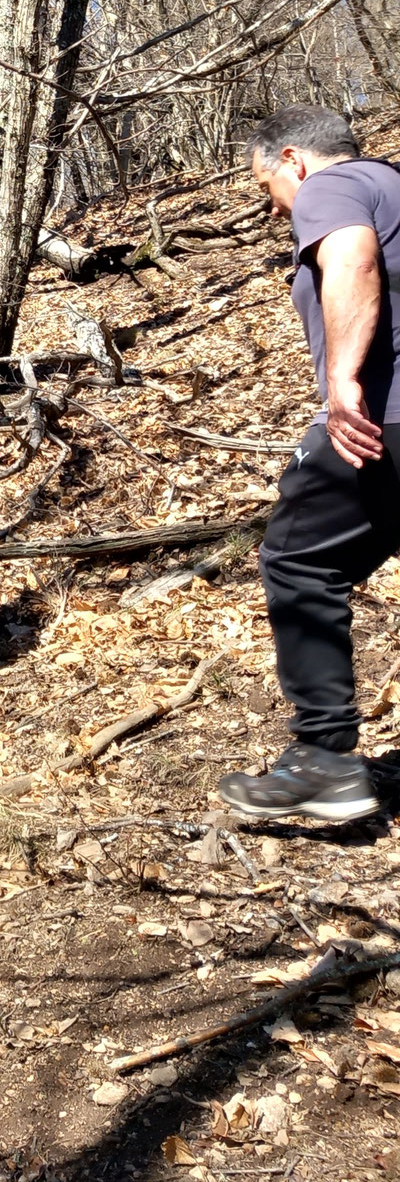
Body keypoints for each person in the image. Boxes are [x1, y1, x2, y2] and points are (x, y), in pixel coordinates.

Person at [217, 105, 395, 823]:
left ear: (291, 159)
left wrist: (344, 381)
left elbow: (351, 257)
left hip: (378, 418)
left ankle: (324, 759)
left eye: (268, 187)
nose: (273, 207)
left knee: (298, 560)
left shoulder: (334, 185)